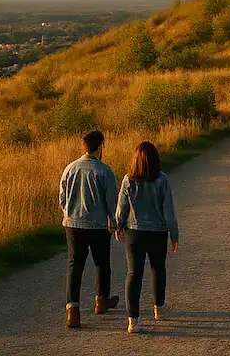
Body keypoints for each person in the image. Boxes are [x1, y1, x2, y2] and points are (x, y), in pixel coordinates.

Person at [115, 141, 180, 333]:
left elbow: (122, 207)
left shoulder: (128, 179)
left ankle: (133, 320)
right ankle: (159, 307)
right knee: (158, 269)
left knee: (133, 274)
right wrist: (174, 235)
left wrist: (118, 226)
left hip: (134, 232)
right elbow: (169, 212)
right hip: (158, 232)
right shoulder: (162, 179)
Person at [59, 130, 120, 329]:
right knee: (101, 262)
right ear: (101, 145)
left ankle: (72, 311)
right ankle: (101, 300)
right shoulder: (104, 170)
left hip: (73, 224)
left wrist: (69, 213)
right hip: (98, 224)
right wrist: (114, 220)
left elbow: (62, 199)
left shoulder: (70, 168)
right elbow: (112, 200)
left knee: (74, 265)